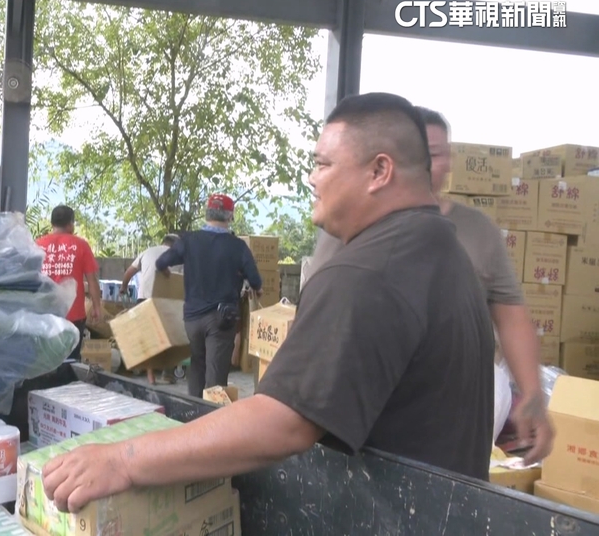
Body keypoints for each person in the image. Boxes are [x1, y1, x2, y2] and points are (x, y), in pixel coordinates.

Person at [41, 92, 496, 514]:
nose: (313, 179)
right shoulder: (446, 253)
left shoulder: (368, 271)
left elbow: (280, 422)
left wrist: (123, 460)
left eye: (323, 164)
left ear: (379, 171)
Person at [307, 107, 554, 464]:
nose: (426, 163)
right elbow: (317, 317)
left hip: (455, 413)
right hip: (369, 406)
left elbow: (511, 315)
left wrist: (533, 396)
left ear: (448, 161)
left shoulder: (478, 232)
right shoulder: (350, 226)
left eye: (435, 154)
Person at [154, 195, 262, 397]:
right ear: (230, 216)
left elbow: (161, 263)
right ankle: (212, 417)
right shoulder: (237, 246)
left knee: (197, 364)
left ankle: (193, 413)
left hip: (192, 318)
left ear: (206, 213)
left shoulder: (188, 240)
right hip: (222, 319)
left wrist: (168, 273)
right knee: (216, 374)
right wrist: (257, 288)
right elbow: (255, 279)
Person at [36, 205, 102, 361]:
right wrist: (97, 307)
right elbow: (92, 281)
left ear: (52, 223)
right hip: (73, 316)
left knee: (45, 362)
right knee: (70, 362)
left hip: (44, 314)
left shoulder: (37, 245)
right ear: (70, 224)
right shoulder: (81, 245)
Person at [119, 234, 182, 384]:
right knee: (170, 337)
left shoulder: (147, 251)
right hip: (167, 300)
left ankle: (150, 375)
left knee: (148, 337)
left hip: (144, 298)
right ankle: (167, 374)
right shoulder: (178, 256)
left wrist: (123, 287)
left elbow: (129, 272)